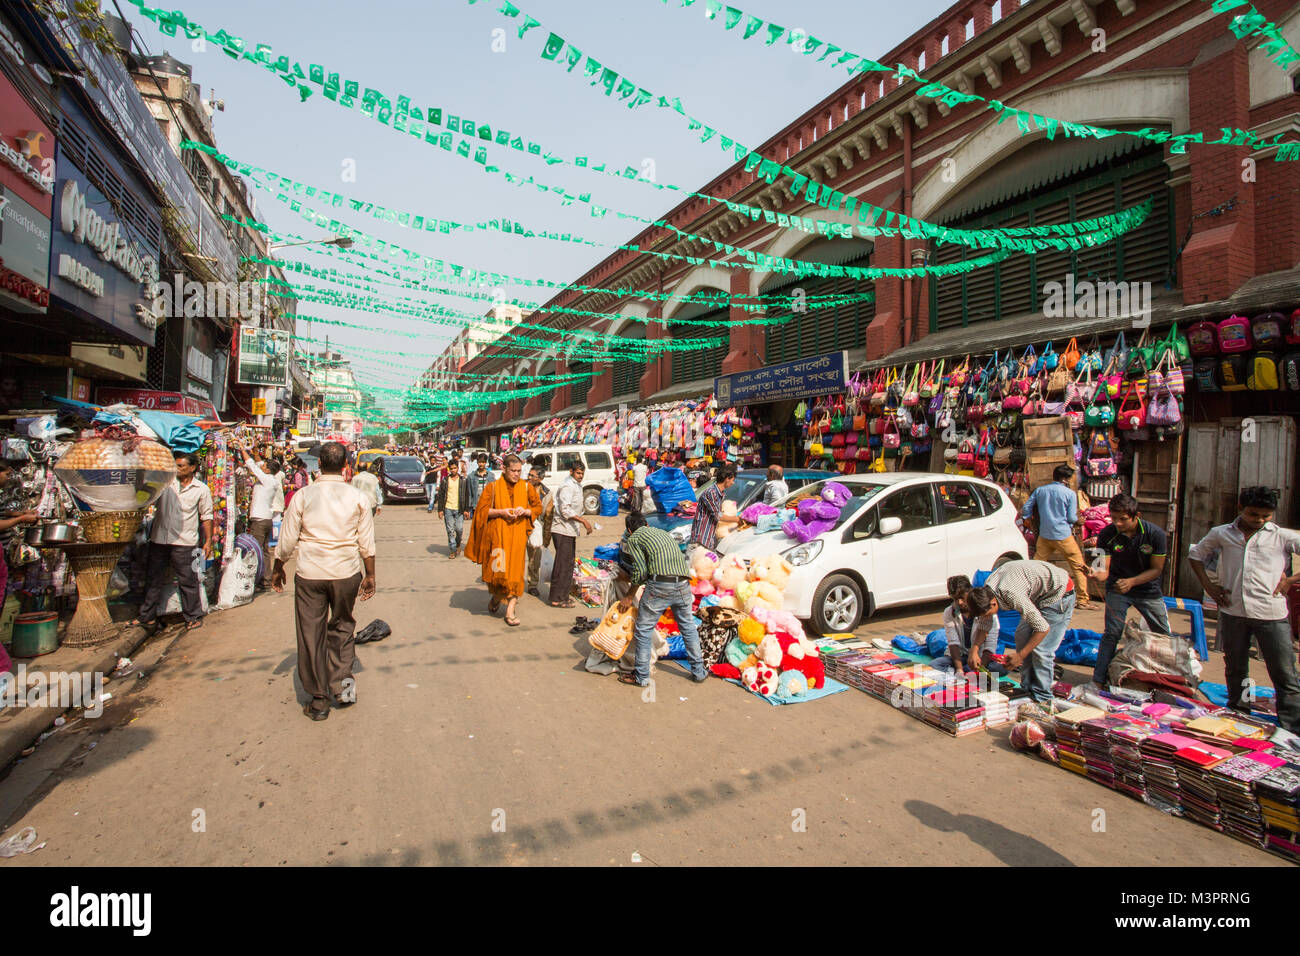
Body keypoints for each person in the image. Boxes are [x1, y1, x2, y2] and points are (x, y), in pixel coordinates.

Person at [271, 442, 376, 721]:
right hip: (345, 572)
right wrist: (371, 574)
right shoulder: (357, 497)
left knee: (310, 634)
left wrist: (277, 567)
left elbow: (287, 538)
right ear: (345, 466)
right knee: (342, 628)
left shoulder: (303, 495)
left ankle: (319, 700)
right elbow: (366, 542)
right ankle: (344, 689)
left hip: (310, 573)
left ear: (319, 465)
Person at [1189, 486, 1300, 733]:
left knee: (1284, 672)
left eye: (1265, 516)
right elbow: (1196, 555)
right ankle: (1240, 713)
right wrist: (1211, 587)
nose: (1259, 520)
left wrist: (1290, 581)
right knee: (1236, 667)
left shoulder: (1281, 536)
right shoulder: (1221, 534)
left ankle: (1292, 728)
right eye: (1253, 515)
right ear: (1240, 509)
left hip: (1271, 614)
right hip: (1233, 613)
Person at [616, 511, 708, 687]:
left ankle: (641, 677)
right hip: (683, 584)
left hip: (660, 586)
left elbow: (640, 572)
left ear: (629, 529)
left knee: (643, 630)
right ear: (647, 524)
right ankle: (699, 671)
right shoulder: (662, 534)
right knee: (688, 627)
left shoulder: (634, 539)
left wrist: (629, 596)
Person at [1089, 493, 1171, 686]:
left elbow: (1157, 569)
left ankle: (1170, 680)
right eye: (1113, 518)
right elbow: (1103, 570)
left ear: (1136, 516)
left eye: (1123, 519)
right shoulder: (1106, 534)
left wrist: (1132, 582)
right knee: (1112, 634)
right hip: (1117, 589)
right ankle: (1098, 680)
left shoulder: (1155, 534)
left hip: (1148, 590)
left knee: (1163, 634)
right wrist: (1095, 573)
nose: (1117, 523)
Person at [973, 559, 1076, 703]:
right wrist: (974, 650)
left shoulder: (1011, 594)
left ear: (993, 603)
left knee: (1041, 650)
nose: (988, 617)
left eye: (987, 614)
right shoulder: (986, 592)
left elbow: (1043, 628)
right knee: (1021, 637)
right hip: (1037, 595)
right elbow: (984, 624)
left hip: (1058, 595)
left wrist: (1020, 656)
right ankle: (1027, 689)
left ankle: (1044, 698)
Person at [133, 451, 214, 633]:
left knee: (188, 579)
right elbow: (146, 494)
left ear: (192, 468)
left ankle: (193, 615)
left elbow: (206, 516)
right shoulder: (166, 485)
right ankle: (147, 616)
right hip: (159, 538)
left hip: (185, 542)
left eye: (180, 466)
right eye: (175, 465)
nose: (176, 469)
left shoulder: (201, 489)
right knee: (154, 578)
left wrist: (208, 541)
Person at [465, 454, 541, 627]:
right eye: (513, 471)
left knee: (515, 574)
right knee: (498, 575)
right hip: (498, 538)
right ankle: (497, 597)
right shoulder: (492, 488)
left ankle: (510, 611)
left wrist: (527, 512)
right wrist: (502, 512)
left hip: (518, 538)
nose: (516, 474)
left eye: (519, 471)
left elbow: (537, 507)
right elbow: (481, 512)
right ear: (504, 469)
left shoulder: (527, 487)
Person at [1021, 464, 1093, 610]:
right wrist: (1078, 521)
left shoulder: (1041, 490)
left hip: (1045, 535)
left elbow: (1026, 508)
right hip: (1063, 536)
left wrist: (1027, 518)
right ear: (1065, 479)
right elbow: (1072, 517)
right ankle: (1083, 600)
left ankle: (1028, 593)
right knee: (1078, 566)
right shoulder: (1069, 494)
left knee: (1036, 566)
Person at [549, 461, 594, 609]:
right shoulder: (567, 486)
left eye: (582, 473)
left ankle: (561, 595)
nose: (580, 476)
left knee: (567, 563)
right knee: (563, 564)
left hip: (569, 529)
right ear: (571, 471)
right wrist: (584, 521)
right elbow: (565, 510)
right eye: (578, 473)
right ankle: (558, 598)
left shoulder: (575, 485)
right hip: (562, 528)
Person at [943, 575, 1003, 675]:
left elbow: (990, 645)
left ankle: (969, 670)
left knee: (1000, 668)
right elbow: (953, 642)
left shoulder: (986, 612)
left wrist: (980, 669)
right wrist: (959, 670)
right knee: (936, 665)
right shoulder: (949, 612)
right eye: (955, 599)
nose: (960, 602)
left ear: (970, 592)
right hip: (960, 657)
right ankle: (963, 670)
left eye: (962, 598)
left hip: (979, 659)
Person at [242, 442, 282, 566]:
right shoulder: (270, 479)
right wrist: (254, 450)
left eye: (264, 466)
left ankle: (256, 578)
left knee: (255, 551)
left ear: (268, 470)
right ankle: (266, 580)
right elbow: (258, 463)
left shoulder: (267, 479)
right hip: (266, 519)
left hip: (260, 520)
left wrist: (242, 449)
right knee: (264, 551)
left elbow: (252, 466)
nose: (261, 467)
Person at [689, 462, 740, 558]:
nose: (733, 483)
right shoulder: (712, 492)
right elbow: (718, 515)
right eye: (732, 480)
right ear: (727, 479)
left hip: (710, 538)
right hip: (702, 538)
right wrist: (738, 519)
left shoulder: (720, 493)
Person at [525, 464, 553, 596]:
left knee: (534, 559)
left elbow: (548, 516)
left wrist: (546, 539)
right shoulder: (521, 487)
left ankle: (532, 584)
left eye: (532, 476)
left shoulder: (547, 494)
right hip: (520, 527)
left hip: (536, 528)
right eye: (529, 474)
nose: (529, 477)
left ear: (540, 479)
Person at [436, 459, 472, 558]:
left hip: (459, 509)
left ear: (458, 468)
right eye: (451, 468)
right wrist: (440, 510)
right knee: (450, 530)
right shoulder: (445, 481)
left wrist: (466, 509)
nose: (453, 470)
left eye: (455, 468)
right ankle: (453, 550)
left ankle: (458, 543)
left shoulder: (463, 481)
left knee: (459, 529)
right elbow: (441, 496)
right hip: (448, 508)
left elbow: (467, 495)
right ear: (449, 469)